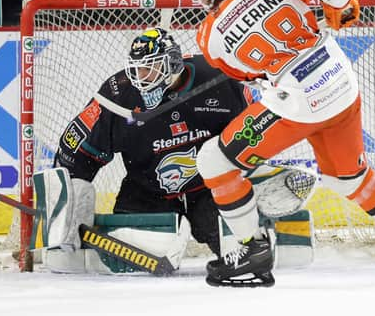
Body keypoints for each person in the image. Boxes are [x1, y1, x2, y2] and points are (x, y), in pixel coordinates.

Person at [182, 0, 375, 286]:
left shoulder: (209, 37)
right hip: (339, 80)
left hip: (300, 102)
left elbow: (250, 74)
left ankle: (253, 252)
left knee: (215, 163)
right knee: (347, 177)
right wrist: (343, 8)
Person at [52, 26, 253, 267]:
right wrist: (67, 214)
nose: (141, 77)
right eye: (137, 69)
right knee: (129, 266)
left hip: (209, 191)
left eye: (150, 68)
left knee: (244, 252)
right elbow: (77, 154)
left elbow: (255, 134)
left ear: (173, 64)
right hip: (147, 192)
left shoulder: (218, 78)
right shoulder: (119, 95)